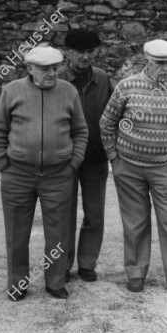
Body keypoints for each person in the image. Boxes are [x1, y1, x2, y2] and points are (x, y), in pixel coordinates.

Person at [0, 45, 88, 301]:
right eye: (45, 69)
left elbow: (80, 131)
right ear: (30, 68)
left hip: (59, 175)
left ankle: (55, 281)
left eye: (55, 68)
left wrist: (72, 163)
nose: (52, 73)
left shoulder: (69, 92)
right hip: (17, 174)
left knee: (58, 233)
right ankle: (17, 283)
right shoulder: (12, 91)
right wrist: (4, 164)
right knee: (16, 233)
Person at [99, 39, 167, 297]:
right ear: (147, 60)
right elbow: (107, 123)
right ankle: (135, 273)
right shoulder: (126, 86)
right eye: (160, 63)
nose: (165, 68)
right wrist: (113, 157)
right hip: (128, 166)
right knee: (135, 222)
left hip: (163, 167)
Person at [59, 29, 114, 283]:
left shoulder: (102, 79)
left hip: (96, 158)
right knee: (64, 214)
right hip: (66, 160)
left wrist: (110, 148)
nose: (86, 56)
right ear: (67, 52)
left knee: (95, 213)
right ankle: (64, 264)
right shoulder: (57, 79)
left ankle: (88, 264)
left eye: (90, 51)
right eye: (80, 51)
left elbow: (114, 114)